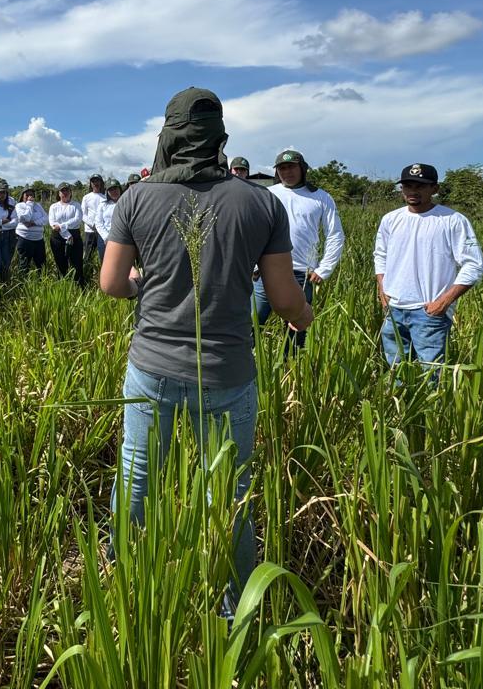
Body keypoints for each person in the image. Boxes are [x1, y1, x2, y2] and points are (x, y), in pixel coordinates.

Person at [100, 87, 312, 618]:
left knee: (138, 476)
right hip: (228, 371)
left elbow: (110, 284)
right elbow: (285, 299)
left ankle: (127, 579)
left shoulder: (136, 199)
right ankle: (236, 605)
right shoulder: (260, 201)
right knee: (229, 492)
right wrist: (306, 318)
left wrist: (142, 286)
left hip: (151, 367)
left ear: (167, 136)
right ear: (220, 136)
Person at [374, 163, 483, 378]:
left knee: (431, 376)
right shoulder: (390, 219)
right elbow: (381, 256)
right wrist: (382, 289)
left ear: (434, 189)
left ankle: (433, 412)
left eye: (420, 186)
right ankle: (400, 408)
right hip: (394, 308)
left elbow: (474, 264)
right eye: (407, 186)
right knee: (395, 371)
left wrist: (443, 303)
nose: (413, 191)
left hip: (429, 311)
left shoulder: (453, 220)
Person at [252, 148, 346, 351]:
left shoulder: (321, 198)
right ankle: (249, 368)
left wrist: (324, 269)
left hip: (302, 274)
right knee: (252, 323)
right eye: (282, 168)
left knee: (297, 328)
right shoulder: (267, 194)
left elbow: (335, 234)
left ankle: (291, 371)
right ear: (277, 171)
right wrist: (252, 265)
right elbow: (252, 231)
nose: (287, 172)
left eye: (291, 167)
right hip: (265, 272)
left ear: (302, 169)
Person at [48, 182, 86, 286]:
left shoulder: (76, 205)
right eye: (62, 191)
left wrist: (62, 226)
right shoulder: (53, 206)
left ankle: (79, 287)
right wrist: (64, 231)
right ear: (59, 193)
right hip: (57, 237)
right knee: (60, 263)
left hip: (74, 236)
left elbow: (77, 220)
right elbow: (52, 222)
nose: (65, 193)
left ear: (70, 192)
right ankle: (62, 286)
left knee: (77, 263)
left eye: (67, 190)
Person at [15, 187, 49, 271]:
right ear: (23, 196)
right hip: (25, 238)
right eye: (27, 195)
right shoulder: (19, 205)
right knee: (24, 264)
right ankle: (23, 283)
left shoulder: (38, 205)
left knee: (41, 264)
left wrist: (34, 223)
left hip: (39, 239)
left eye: (32, 195)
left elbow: (46, 218)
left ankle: (41, 282)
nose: (30, 196)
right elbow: (25, 218)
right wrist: (29, 204)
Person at [0, 181, 18, 280]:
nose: (2, 195)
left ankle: (5, 283)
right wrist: (1, 222)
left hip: (9, 236)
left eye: (4, 192)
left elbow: (15, 221)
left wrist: (0, 225)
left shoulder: (11, 204)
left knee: (6, 262)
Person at [81, 174, 108, 265]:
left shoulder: (105, 197)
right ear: (91, 184)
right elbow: (83, 214)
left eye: (97, 181)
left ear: (101, 183)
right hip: (90, 231)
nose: (95, 183)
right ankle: (87, 274)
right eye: (93, 181)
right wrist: (93, 225)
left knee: (104, 255)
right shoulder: (86, 197)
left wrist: (101, 227)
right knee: (88, 255)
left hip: (103, 232)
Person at [95, 178, 123, 244]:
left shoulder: (127, 203)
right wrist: (106, 237)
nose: (114, 192)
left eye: (115, 189)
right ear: (107, 192)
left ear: (120, 189)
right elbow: (98, 223)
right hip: (105, 238)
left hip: (123, 238)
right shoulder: (103, 205)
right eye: (111, 190)